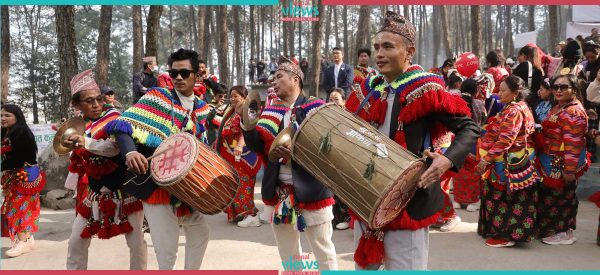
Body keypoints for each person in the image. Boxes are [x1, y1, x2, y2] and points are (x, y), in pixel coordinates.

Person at [345, 11, 479, 270]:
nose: (379, 54)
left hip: (409, 202)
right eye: (376, 47)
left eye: (388, 46)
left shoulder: (426, 89)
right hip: (367, 199)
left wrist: (446, 160)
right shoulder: (368, 90)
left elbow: (468, 129)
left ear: (409, 51)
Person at [106, 48, 211, 270]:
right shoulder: (157, 97)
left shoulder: (202, 109)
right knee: (167, 251)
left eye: (184, 73)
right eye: (174, 74)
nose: (178, 78)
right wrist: (130, 152)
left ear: (197, 75)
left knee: (200, 234)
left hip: (186, 187)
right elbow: (121, 126)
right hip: (157, 185)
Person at [242, 57, 338, 270]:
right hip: (280, 193)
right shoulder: (269, 111)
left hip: (313, 189)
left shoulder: (316, 107)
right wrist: (248, 123)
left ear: (295, 79)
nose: (273, 81)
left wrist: (297, 152)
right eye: (273, 78)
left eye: (279, 77)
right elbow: (258, 146)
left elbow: (327, 148)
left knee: (323, 252)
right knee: (289, 256)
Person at [65, 70, 147, 269]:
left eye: (98, 99)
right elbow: (77, 158)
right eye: (88, 101)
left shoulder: (114, 118)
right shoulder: (77, 126)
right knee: (76, 241)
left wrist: (84, 142)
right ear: (77, 105)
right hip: (93, 193)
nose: (95, 104)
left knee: (136, 242)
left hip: (125, 192)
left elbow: (112, 149)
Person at [476, 75, 538, 248]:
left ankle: (507, 234)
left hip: (509, 162)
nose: (499, 93)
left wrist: (486, 159)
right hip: (517, 158)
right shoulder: (520, 107)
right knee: (514, 197)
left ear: (515, 92)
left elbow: (505, 140)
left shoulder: (514, 111)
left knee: (504, 197)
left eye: (503, 90)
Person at [536, 74, 590, 245]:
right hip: (551, 161)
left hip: (563, 164)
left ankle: (564, 232)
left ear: (574, 89)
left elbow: (573, 143)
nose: (558, 90)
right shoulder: (559, 107)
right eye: (555, 87)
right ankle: (553, 229)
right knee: (551, 197)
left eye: (563, 87)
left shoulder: (573, 112)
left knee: (562, 197)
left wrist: (569, 170)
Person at [1, 104, 45, 258]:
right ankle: (27, 238)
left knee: (19, 208)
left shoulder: (20, 132)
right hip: (19, 173)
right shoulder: (11, 132)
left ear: (17, 117)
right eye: (1, 116)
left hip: (24, 174)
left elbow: (20, 158)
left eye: (7, 115)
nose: (3, 118)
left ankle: (23, 242)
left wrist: (3, 166)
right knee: (20, 207)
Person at [217, 86, 262, 227]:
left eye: (236, 95)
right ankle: (237, 213)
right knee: (233, 185)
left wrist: (240, 145)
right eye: (231, 95)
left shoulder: (249, 110)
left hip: (243, 155)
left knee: (244, 184)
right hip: (230, 156)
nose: (233, 98)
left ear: (244, 97)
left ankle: (250, 215)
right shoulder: (230, 111)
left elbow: (248, 129)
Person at [451, 79, 486, 213]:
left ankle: (458, 200)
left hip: (457, 138)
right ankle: (475, 201)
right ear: (476, 91)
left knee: (458, 169)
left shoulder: (454, 100)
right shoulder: (479, 103)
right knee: (474, 171)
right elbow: (483, 120)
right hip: (474, 140)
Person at [327, 88, 352, 230]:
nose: (333, 102)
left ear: (344, 102)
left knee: (344, 189)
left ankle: (346, 218)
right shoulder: (326, 116)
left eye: (336, 99)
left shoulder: (349, 116)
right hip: (331, 157)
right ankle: (334, 218)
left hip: (346, 157)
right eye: (330, 99)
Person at [513, 45, 544, 122]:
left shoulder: (524, 65)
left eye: (519, 55)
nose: (518, 58)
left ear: (523, 55)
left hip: (522, 100)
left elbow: (512, 81)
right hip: (534, 102)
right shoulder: (539, 68)